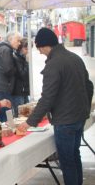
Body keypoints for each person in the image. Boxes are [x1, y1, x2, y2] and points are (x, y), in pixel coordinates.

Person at [18, 28, 94, 185]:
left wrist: (30, 122)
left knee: (67, 161)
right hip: (78, 117)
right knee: (74, 156)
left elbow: (47, 98)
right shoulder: (75, 58)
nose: (39, 52)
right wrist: (85, 108)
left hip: (65, 121)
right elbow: (89, 86)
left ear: (45, 45)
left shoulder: (54, 64)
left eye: (38, 48)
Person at [0, 32, 21, 122]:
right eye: (18, 40)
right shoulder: (6, 49)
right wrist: (17, 68)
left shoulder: (3, 48)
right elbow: (8, 70)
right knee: (5, 116)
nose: (19, 43)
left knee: (3, 114)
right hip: (1, 87)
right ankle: (5, 135)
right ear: (11, 40)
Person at [12, 38, 29, 117]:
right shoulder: (16, 58)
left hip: (24, 90)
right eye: (26, 48)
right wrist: (27, 62)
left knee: (27, 113)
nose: (27, 51)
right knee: (20, 115)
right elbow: (22, 74)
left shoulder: (22, 58)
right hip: (18, 91)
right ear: (20, 48)